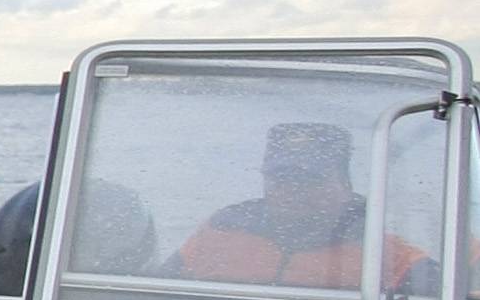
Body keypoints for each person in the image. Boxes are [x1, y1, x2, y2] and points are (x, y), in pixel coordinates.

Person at [176, 121, 424, 291]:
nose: (292, 189)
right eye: (281, 178)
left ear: (345, 185)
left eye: (309, 179)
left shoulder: (390, 257)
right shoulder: (219, 232)